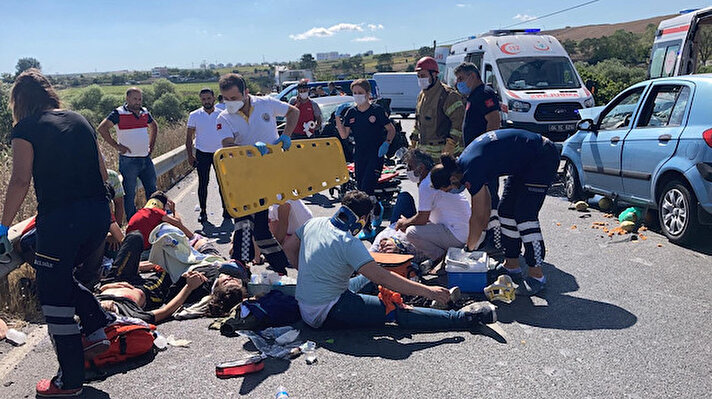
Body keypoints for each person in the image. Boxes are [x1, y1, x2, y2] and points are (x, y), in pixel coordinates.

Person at [1, 69, 115, 397]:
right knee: (61, 275)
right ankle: (97, 322)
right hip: (97, 216)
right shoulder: (80, 120)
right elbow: (102, 169)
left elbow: (20, 180)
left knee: (54, 298)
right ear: (50, 93)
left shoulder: (25, 128)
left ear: (19, 101)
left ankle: (70, 382)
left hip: (62, 221)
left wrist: (4, 226)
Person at [292, 190, 496, 330]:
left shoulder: (314, 223)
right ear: (362, 219)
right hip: (327, 312)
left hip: (307, 305)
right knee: (395, 309)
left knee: (372, 276)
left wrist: (309, 272)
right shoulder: (348, 243)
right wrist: (429, 290)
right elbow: (384, 278)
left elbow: (290, 245)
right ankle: (460, 319)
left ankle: (415, 302)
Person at [431, 129, 560, 296]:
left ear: (452, 180)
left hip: (542, 157)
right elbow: (485, 208)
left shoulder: (471, 170)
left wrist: (469, 249)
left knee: (525, 217)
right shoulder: (464, 165)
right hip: (523, 165)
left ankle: (537, 275)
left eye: (448, 190)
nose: (451, 193)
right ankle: (511, 266)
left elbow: (477, 216)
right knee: (505, 212)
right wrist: (477, 240)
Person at [216, 73, 299, 274]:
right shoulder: (224, 117)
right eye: (226, 99)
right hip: (243, 173)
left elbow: (293, 112)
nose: (230, 103)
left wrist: (286, 137)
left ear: (245, 93)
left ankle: (275, 264)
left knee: (259, 224)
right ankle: (242, 263)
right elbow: (227, 145)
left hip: (269, 172)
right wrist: (250, 149)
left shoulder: (265, 104)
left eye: (234, 98)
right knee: (246, 220)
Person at [96, 231, 245, 323]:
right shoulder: (132, 315)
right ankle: (150, 264)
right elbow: (166, 311)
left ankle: (140, 266)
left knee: (135, 237)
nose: (106, 308)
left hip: (116, 280)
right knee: (169, 270)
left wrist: (107, 287)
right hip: (147, 290)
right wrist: (188, 287)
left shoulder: (90, 305)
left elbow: (89, 291)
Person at [335, 79, 396, 238]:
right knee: (362, 187)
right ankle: (376, 209)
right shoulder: (351, 113)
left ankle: (367, 227)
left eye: (360, 93)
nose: (357, 96)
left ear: (368, 94)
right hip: (359, 155)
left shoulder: (376, 111)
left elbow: (391, 129)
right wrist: (337, 117)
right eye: (354, 93)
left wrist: (386, 144)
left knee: (365, 191)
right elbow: (344, 135)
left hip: (375, 155)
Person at [454, 62, 503, 254]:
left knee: (490, 197)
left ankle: (496, 239)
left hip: (485, 157)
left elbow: (493, 121)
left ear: (472, 76)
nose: (458, 83)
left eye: (460, 79)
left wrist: (485, 149)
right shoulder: (473, 96)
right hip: (477, 157)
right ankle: (485, 237)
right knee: (482, 198)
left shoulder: (484, 93)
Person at [392, 149, 470, 265]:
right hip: (464, 231)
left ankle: (439, 258)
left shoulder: (427, 184)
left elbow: (422, 218)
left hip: (457, 235)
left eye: (410, 167)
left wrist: (405, 222)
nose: (408, 171)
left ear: (421, 168)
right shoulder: (436, 177)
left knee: (411, 232)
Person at [97, 87, 159, 221]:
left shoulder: (145, 112)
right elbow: (102, 129)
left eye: (140, 99)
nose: (138, 102)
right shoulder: (118, 113)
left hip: (145, 159)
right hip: (128, 161)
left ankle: (154, 220)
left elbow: (154, 126)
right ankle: (133, 223)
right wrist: (116, 146)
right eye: (135, 99)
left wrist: (151, 145)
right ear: (127, 99)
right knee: (129, 195)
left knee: (152, 191)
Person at [186, 88, 229, 223]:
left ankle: (226, 210)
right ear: (201, 100)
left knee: (224, 184)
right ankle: (203, 211)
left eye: (209, 98)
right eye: (204, 99)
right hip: (202, 153)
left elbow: (229, 133)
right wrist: (190, 155)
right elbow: (188, 137)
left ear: (214, 98)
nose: (206, 101)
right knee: (203, 183)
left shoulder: (222, 114)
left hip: (220, 154)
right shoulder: (194, 115)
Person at [412, 56, 466, 161]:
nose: (420, 79)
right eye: (418, 76)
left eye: (423, 76)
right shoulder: (421, 96)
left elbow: (459, 122)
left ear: (434, 74)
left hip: (446, 155)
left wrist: (450, 144)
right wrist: (413, 142)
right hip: (425, 156)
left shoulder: (448, 96)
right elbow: (418, 123)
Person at [126, 191, 194, 250]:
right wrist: (173, 210)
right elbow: (178, 223)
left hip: (129, 247)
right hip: (144, 250)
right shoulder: (157, 212)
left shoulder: (140, 212)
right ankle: (193, 238)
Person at [267, 199, 313, 267]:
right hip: (293, 233)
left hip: (306, 233)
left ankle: (300, 266)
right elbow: (273, 227)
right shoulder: (271, 203)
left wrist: (274, 251)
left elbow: (283, 225)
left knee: (286, 248)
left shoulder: (284, 199)